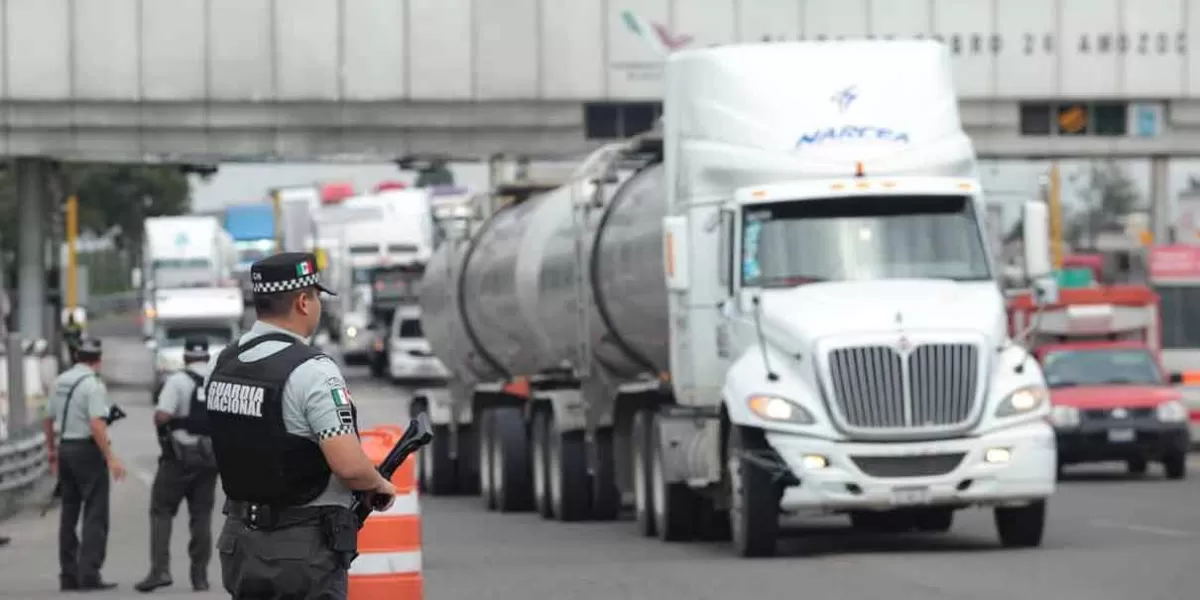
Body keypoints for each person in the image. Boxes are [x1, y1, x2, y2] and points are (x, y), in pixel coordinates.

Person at [207, 252, 397, 599]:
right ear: (303, 302)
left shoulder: (223, 363)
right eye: (317, 296)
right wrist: (378, 482)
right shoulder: (312, 371)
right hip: (300, 552)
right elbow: (349, 467)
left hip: (239, 544)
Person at [135, 337, 219, 593]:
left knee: (161, 511)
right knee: (201, 517)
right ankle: (200, 576)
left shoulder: (177, 381)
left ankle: (160, 570)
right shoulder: (217, 383)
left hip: (179, 458)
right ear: (206, 357)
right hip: (209, 459)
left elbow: (162, 415)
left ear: (185, 357)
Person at [41, 338, 125, 591]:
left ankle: (68, 574)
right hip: (87, 452)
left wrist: (52, 452)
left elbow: (47, 418)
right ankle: (89, 574)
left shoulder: (60, 381)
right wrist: (111, 457)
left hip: (65, 448)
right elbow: (97, 424)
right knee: (95, 514)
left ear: (77, 358)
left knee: (68, 513)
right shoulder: (93, 385)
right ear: (98, 360)